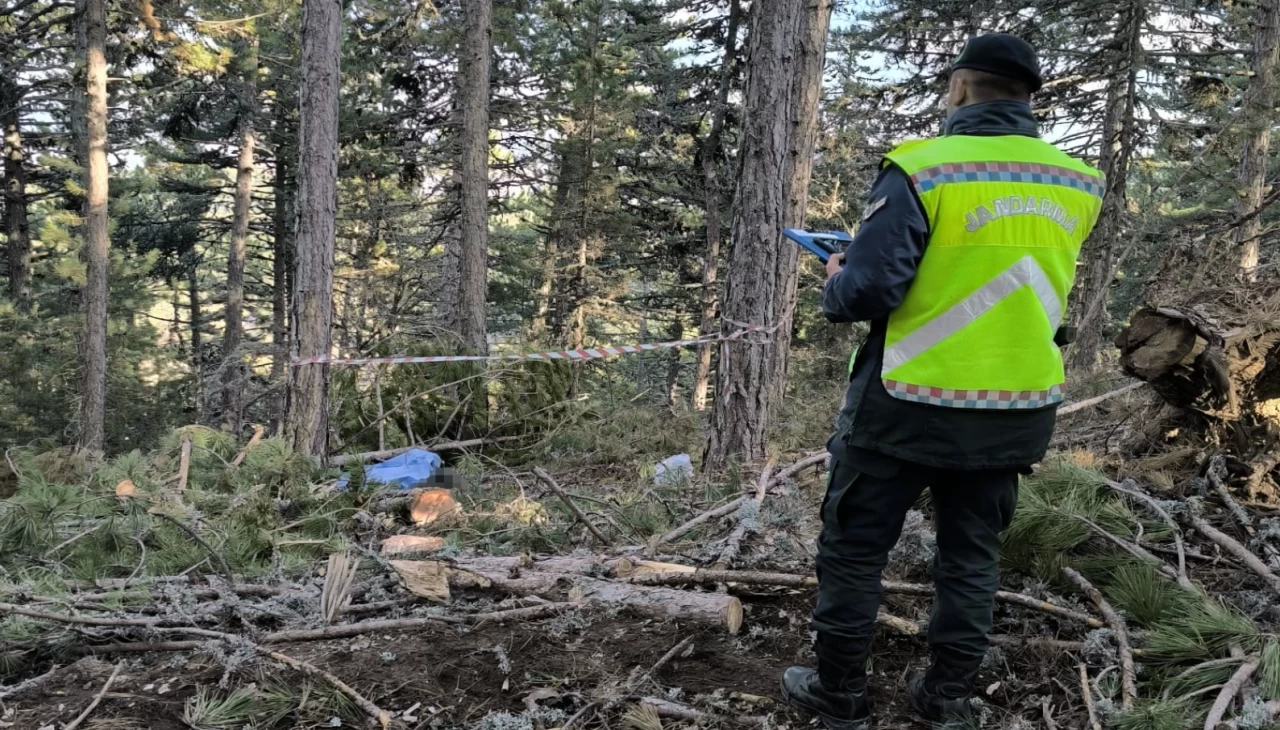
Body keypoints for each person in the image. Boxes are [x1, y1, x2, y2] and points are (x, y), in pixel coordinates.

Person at [780, 34, 1105, 728]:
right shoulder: (1077, 182)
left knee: (854, 549)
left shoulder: (922, 168)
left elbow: (868, 293)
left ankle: (839, 695)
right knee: (970, 560)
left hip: (905, 404)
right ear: (1029, 96)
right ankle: (948, 699)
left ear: (960, 87)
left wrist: (838, 275)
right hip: (1013, 408)